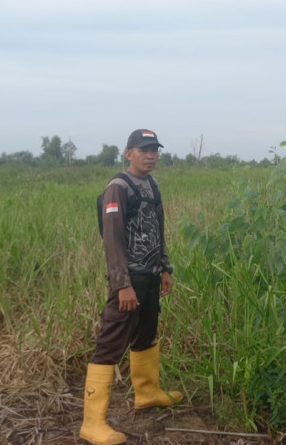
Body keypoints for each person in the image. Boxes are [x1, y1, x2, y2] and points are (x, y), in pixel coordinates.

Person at [80, 129, 183, 445]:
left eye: (154, 150)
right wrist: (122, 285)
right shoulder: (118, 187)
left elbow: (158, 229)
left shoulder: (152, 185)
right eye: (143, 150)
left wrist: (165, 267)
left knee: (146, 334)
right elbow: (112, 240)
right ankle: (92, 423)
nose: (150, 155)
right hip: (129, 280)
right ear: (128, 154)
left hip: (151, 275)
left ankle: (148, 393)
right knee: (110, 343)